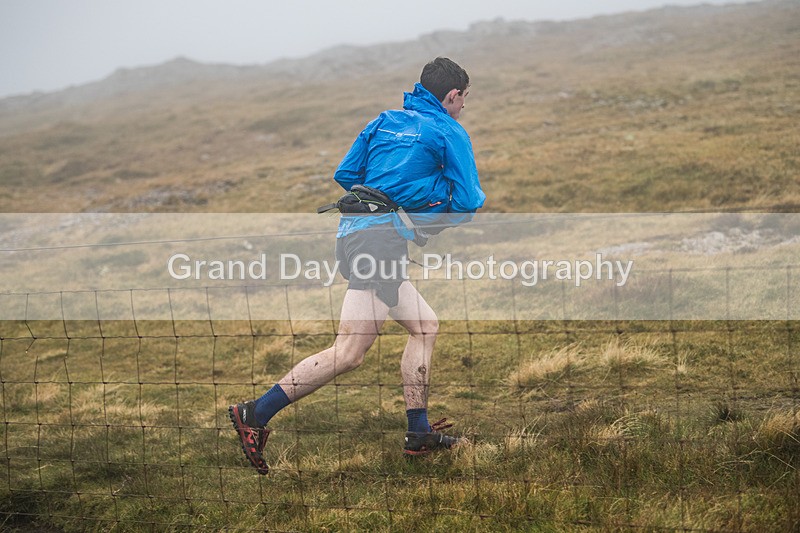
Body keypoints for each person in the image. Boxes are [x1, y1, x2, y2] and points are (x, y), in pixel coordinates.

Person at [229, 57, 485, 475]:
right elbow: (470, 201)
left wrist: (393, 196)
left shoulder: (384, 120)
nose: (463, 107)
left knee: (425, 326)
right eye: (464, 99)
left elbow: (346, 174)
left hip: (354, 233)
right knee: (349, 351)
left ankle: (418, 432)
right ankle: (255, 414)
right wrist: (429, 212)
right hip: (380, 243)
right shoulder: (447, 130)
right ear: (452, 95)